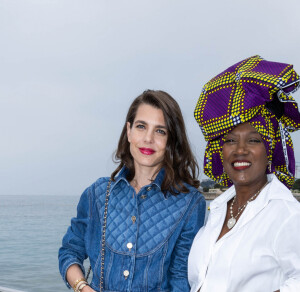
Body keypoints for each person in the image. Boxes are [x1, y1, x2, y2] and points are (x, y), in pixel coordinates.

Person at [59, 90, 206, 292]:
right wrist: (82, 287)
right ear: (129, 131)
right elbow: (70, 251)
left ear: (171, 140)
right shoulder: (97, 193)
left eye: (160, 131)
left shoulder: (190, 203)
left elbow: (180, 279)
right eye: (141, 127)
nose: (148, 138)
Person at [188, 55, 300, 292]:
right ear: (220, 150)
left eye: (253, 140)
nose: (240, 150)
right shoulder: (217, 209)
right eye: (230, 140)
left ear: (269, 148)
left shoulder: (287, 214)